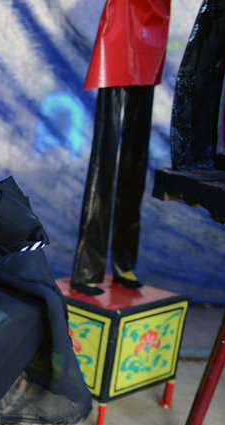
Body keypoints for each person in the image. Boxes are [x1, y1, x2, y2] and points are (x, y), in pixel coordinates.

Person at [69, 0, 171, 296]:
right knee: (107, 151)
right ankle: (87, 269)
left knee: (135, 159)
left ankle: (124, 262)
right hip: (123, 20)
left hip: (154, 19)